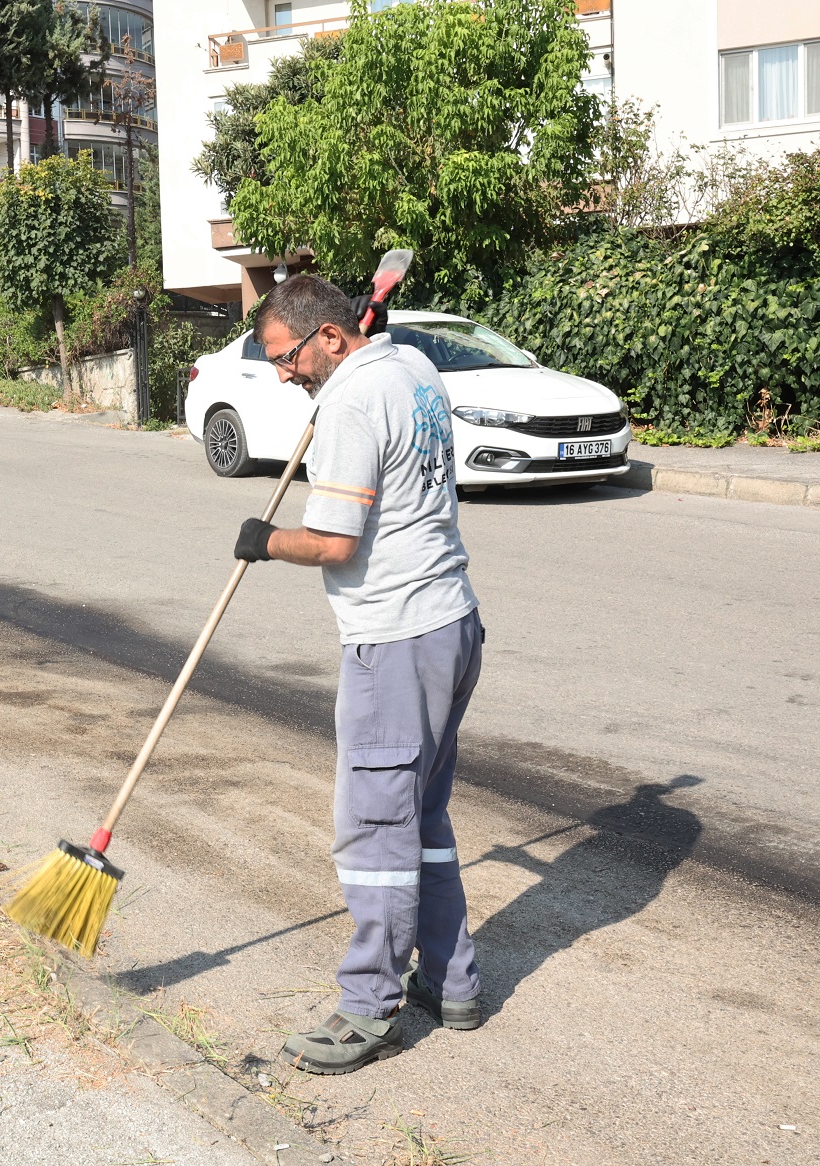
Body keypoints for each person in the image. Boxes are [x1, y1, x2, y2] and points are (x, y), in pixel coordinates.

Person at [233, 274, 484, 1074]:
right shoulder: (413, 367)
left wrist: (264, 541)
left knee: (376, 831)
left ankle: (368, 1010)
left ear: (331, 337)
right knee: (424, 820)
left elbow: (334, 542)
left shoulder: (346, 403)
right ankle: (451, 983)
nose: (282, 373)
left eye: (286, 357)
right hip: (452, 622)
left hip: (397, 638)